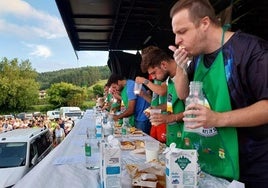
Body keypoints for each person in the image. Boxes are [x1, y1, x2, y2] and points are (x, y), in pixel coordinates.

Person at [169, 0, 268, 186]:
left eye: (182, 32)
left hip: (252, 167)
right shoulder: (197, 58)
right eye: (175, 34)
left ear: (204, 23)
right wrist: (181, 68)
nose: (176, 40)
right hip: (210, 162)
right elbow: (183, 95)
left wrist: (217, 119)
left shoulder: (252, 50)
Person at [139, 45, 185, 147]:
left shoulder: (186, 74)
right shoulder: (169, 80)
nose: (153, 77)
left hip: (186, 139)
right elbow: (171, 104)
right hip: (173, 137)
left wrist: (172, 118)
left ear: (163, 64)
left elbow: (197, 110)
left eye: (154, 73)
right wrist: (156, 108)